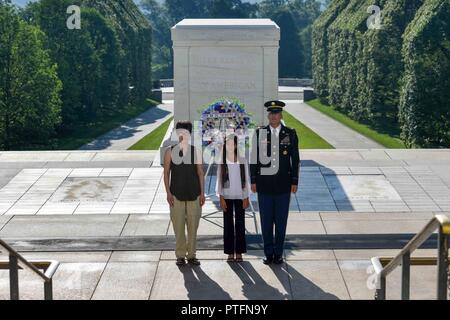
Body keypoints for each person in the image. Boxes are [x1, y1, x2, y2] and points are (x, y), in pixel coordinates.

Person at [250, 101, 300, 265]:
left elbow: (295, 159)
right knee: (266, 221)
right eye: (271, 113)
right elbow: (254, 158)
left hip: (283, 186)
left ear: (281, 115)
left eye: (276, 113)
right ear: (268, 115)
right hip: (264, 185)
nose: (273, 116)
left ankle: (278, 253)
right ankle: (268, 253)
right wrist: (253, 180)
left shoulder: (290, 133)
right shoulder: (260, 134)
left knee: (280, 221)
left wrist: (294, 181)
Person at [164, 121, 206, 266]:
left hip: (194, 194)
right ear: (177, 133)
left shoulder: (196, 151)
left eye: (186, 132)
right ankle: (180, 255)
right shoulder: (170, 151)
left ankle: (192, 255)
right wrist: (168, 193)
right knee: (178, 226)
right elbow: (166, 173)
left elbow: (200, 173)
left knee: (193, 226)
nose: (183, 135)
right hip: (176, 194)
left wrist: (202, 193)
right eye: (180, 132)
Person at [216, 134, 251, 263]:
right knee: (228, 224)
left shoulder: (242, 160)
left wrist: (246, 197)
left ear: (236, 145)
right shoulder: (222, 161)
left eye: (232, 143)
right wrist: (221, 197)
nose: (230, 146)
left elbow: (246, 179)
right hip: (227, 196)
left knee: (240, 224)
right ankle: (230, 252)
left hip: (240, 196)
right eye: (228, 144)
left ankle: (240, 252)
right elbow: (219, 180)